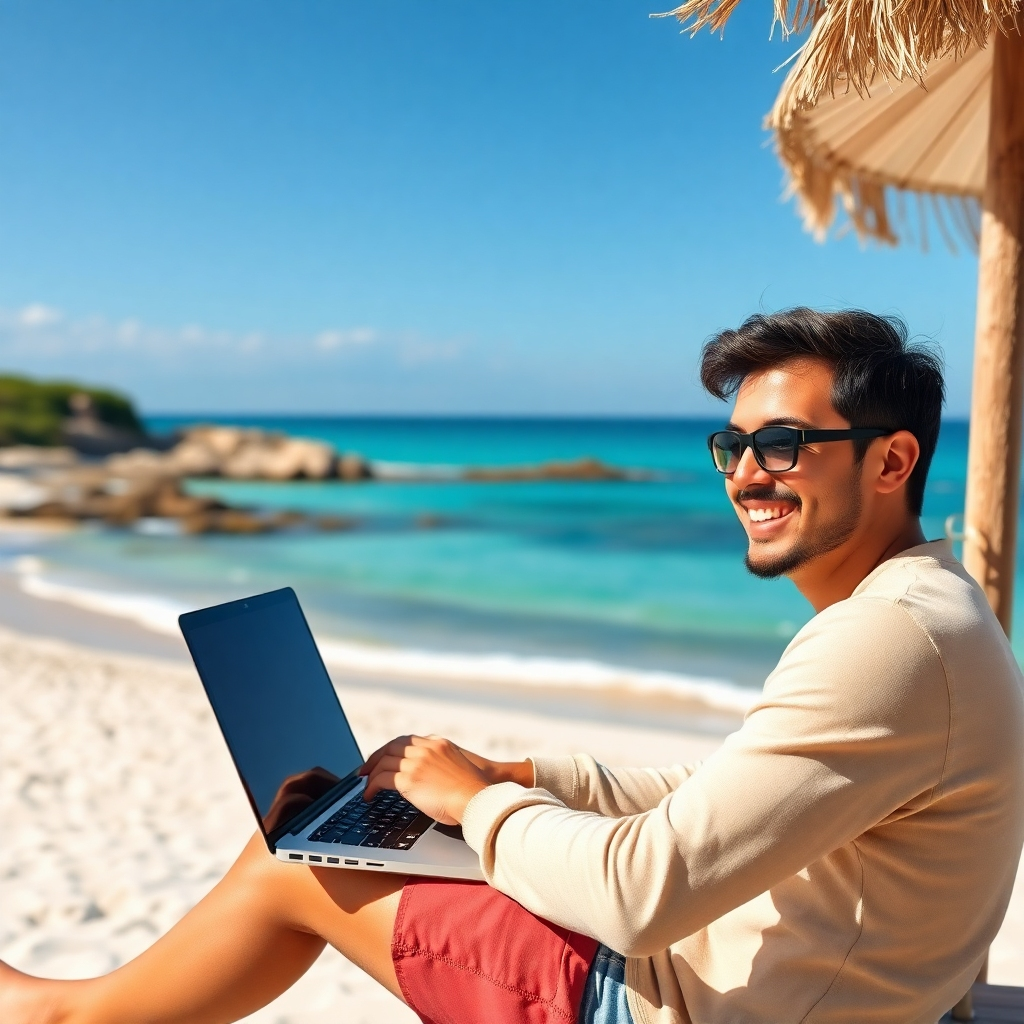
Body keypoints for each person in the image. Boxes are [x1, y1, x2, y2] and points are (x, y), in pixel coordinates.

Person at [3, 307, 1023, 1024]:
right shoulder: (922, 610)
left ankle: (61, 1016)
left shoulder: (883, 640)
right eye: (732, 444)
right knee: (335, 826)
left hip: (694, 1005)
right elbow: (726, 800)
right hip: (795, 987)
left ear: (889, 461)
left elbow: (643, 895)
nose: (747, 474)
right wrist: (519, 778)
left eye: (786, 443)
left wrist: (476, 810)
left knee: (302, 865)